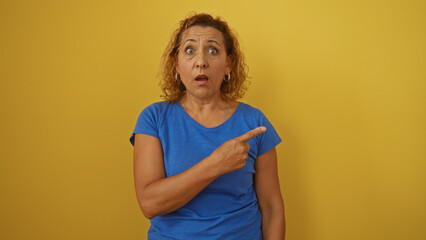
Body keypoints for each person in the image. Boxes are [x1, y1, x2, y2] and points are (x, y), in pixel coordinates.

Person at [130, 12, 285, 240]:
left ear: (228, 64)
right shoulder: (153, 119)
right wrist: (217, 163)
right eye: (190, 50)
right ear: (177, 64)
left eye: (212, 50)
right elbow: (149, 204)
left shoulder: (255, 122)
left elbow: (272, 207)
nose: (201, 61)